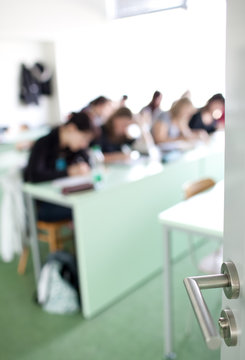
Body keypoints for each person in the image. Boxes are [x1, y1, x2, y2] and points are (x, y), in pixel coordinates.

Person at [24, 112, 96, 221]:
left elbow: (89, 163)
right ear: (71, 128)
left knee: (92, 201)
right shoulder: (43, 143)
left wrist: (82, 165)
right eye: (83, 138)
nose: (84, 144)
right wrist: (68, 172)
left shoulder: (72, 148)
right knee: (88, 206)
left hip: (65, 197)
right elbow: (35, 175)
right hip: (45, 203)